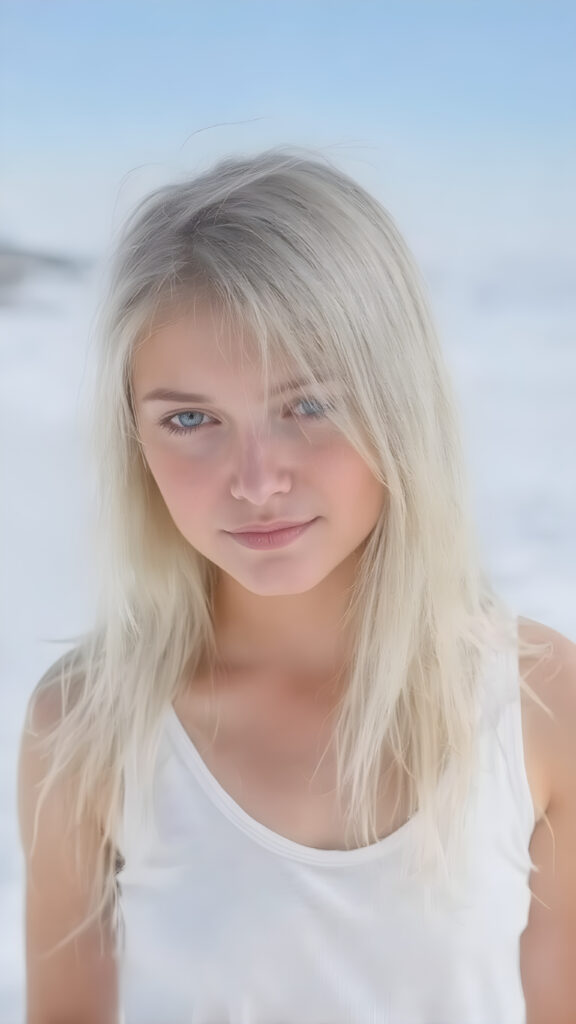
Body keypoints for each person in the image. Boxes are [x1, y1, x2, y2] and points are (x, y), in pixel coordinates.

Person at [17, 146, 576, 1024]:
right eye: (191, 419)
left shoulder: (541, 700)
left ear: (400, 404)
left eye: (308, 405)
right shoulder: (88, 722)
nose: (255, 479)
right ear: (135, 439)